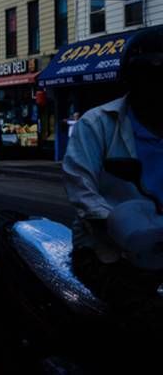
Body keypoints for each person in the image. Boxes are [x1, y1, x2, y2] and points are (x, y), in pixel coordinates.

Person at [64, 27, 163, 324]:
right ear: (132, 80)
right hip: (108, 252)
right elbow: (81, 189)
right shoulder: (96, 124)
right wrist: (123, 228)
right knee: (147, 319)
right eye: (151, 77)